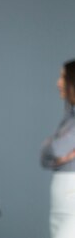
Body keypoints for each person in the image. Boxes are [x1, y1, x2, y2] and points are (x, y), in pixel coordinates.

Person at [41, 59, 75, 238]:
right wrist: (53, 151)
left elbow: (56, 149)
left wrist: (53, 149)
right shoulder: (69, 117)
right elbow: (45, 156)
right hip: (61, 202)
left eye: (63, 77)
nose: (58, 83)